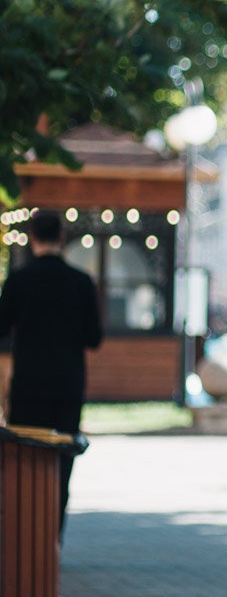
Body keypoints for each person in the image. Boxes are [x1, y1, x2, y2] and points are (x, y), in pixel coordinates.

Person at [0, 210, 103, 536]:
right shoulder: (81, 281)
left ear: (32, 238)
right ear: (62, 237)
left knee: (24, 459)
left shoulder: (18, 280)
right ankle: (51, 541)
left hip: (28, 385)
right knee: (62, 462)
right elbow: (94, 338)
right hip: (68, 384)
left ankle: (24, 538)